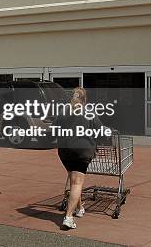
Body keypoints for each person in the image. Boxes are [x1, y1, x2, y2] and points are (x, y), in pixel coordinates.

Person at [53, 87, 107, 230]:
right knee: (77, 182)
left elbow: (54, 129)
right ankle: (68, 217)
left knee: (73, 178)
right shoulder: (89, 112)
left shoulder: (63, 112)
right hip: (82, 151)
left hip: (65, 152)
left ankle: (79, 208)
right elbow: (100, 130)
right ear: (84, 99)